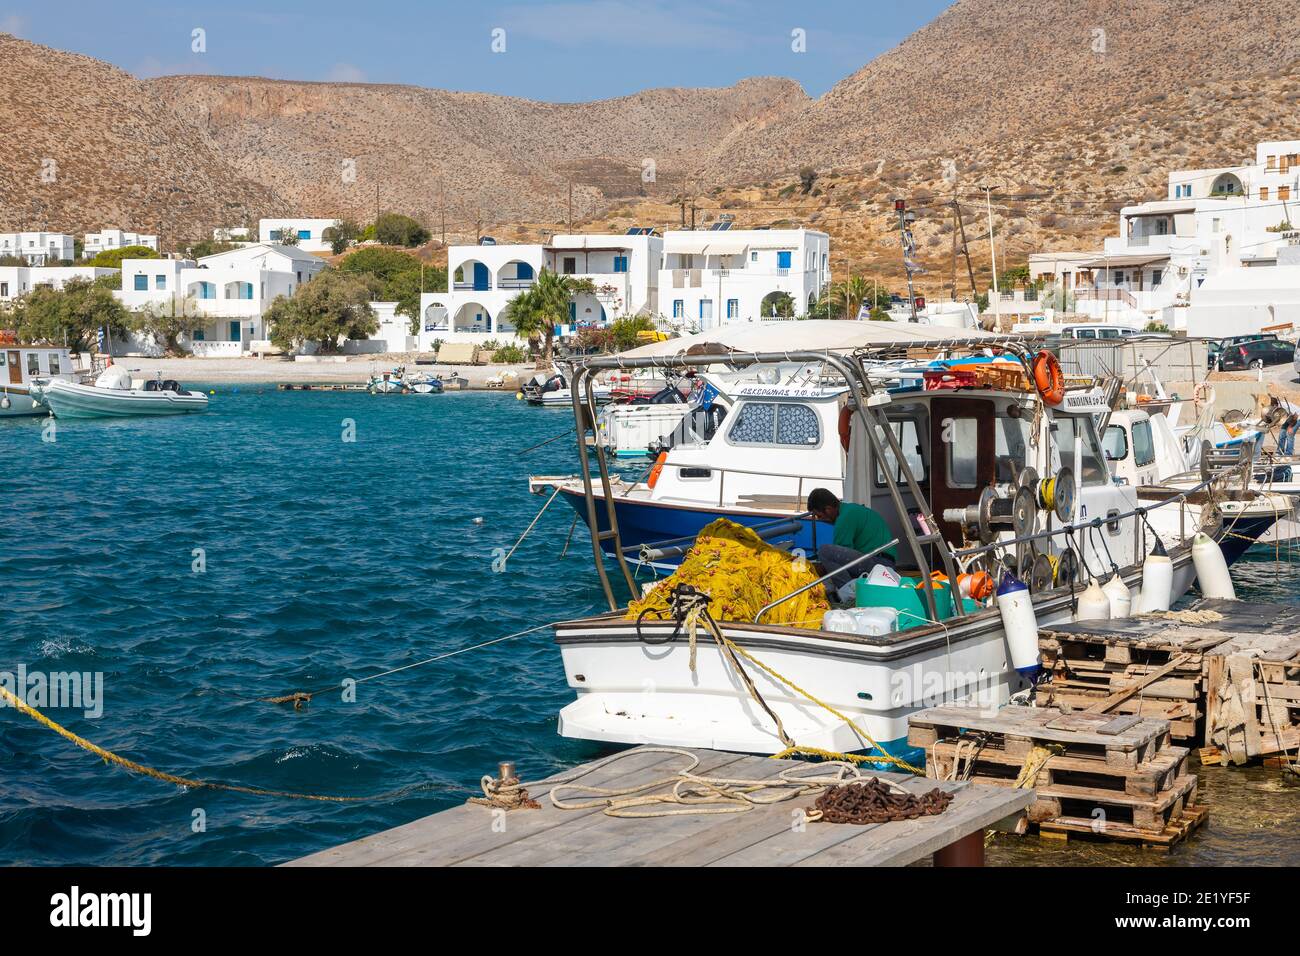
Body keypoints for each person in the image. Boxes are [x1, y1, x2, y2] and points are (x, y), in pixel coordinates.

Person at [806, 488, 897, 595]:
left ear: (828, 509)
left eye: (819, 516)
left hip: (878, 564)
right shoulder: (851, 510)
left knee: (824, 551)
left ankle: (851, 595)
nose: (819, 520)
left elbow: (838, 560)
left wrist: (811, 570)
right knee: (829, 576)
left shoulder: (844, 518)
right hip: (883, 563)